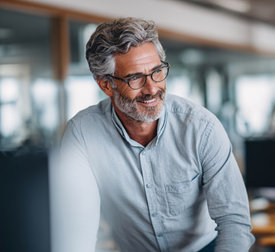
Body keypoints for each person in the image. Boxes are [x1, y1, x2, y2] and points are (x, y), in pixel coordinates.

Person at [53, 17, 254, 252]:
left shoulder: (202, 128)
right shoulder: (82, 135)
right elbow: (76, 227)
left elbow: (234, 222)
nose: (151, 88)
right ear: (106, 85)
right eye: (135, 78)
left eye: (157, 71)